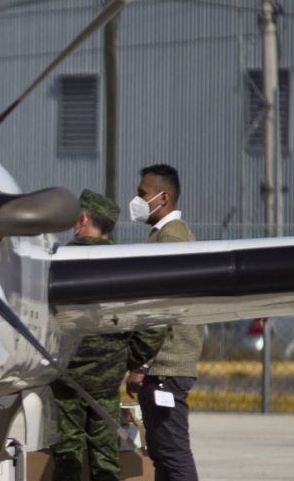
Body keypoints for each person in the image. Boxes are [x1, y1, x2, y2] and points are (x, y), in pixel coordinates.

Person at [51, 189, 140, 481]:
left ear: (83, 218)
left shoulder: (59, 261)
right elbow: (151, 321)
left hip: (66, 377)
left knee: (67, 456)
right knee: (105, 458)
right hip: (107, 377)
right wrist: (130, 359)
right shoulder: (124, 263)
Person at [124, 164, 199, 481]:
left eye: (143, 194)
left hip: (164, 368)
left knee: (173, 454)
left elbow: (162, 309)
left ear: (163, 197)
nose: (137, 200)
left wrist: (140, 364)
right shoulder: (164, 237)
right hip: (162, 368)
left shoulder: (172, 239)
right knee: (162, 455)